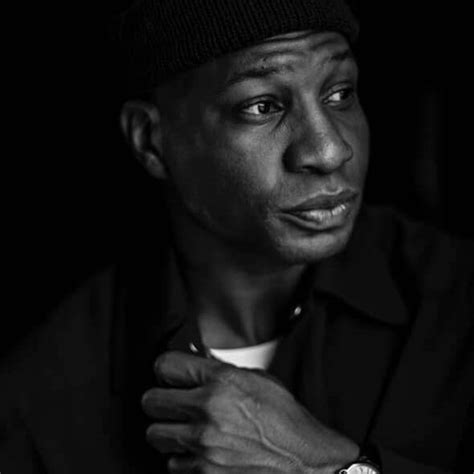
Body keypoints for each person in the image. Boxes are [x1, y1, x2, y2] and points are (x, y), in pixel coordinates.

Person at [1, 0, 473, 472]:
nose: (330, 150)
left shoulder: (456, 302)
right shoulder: (47, 393)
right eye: (262, 106)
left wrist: (328, 467)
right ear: (151, 141)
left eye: (340, 94)